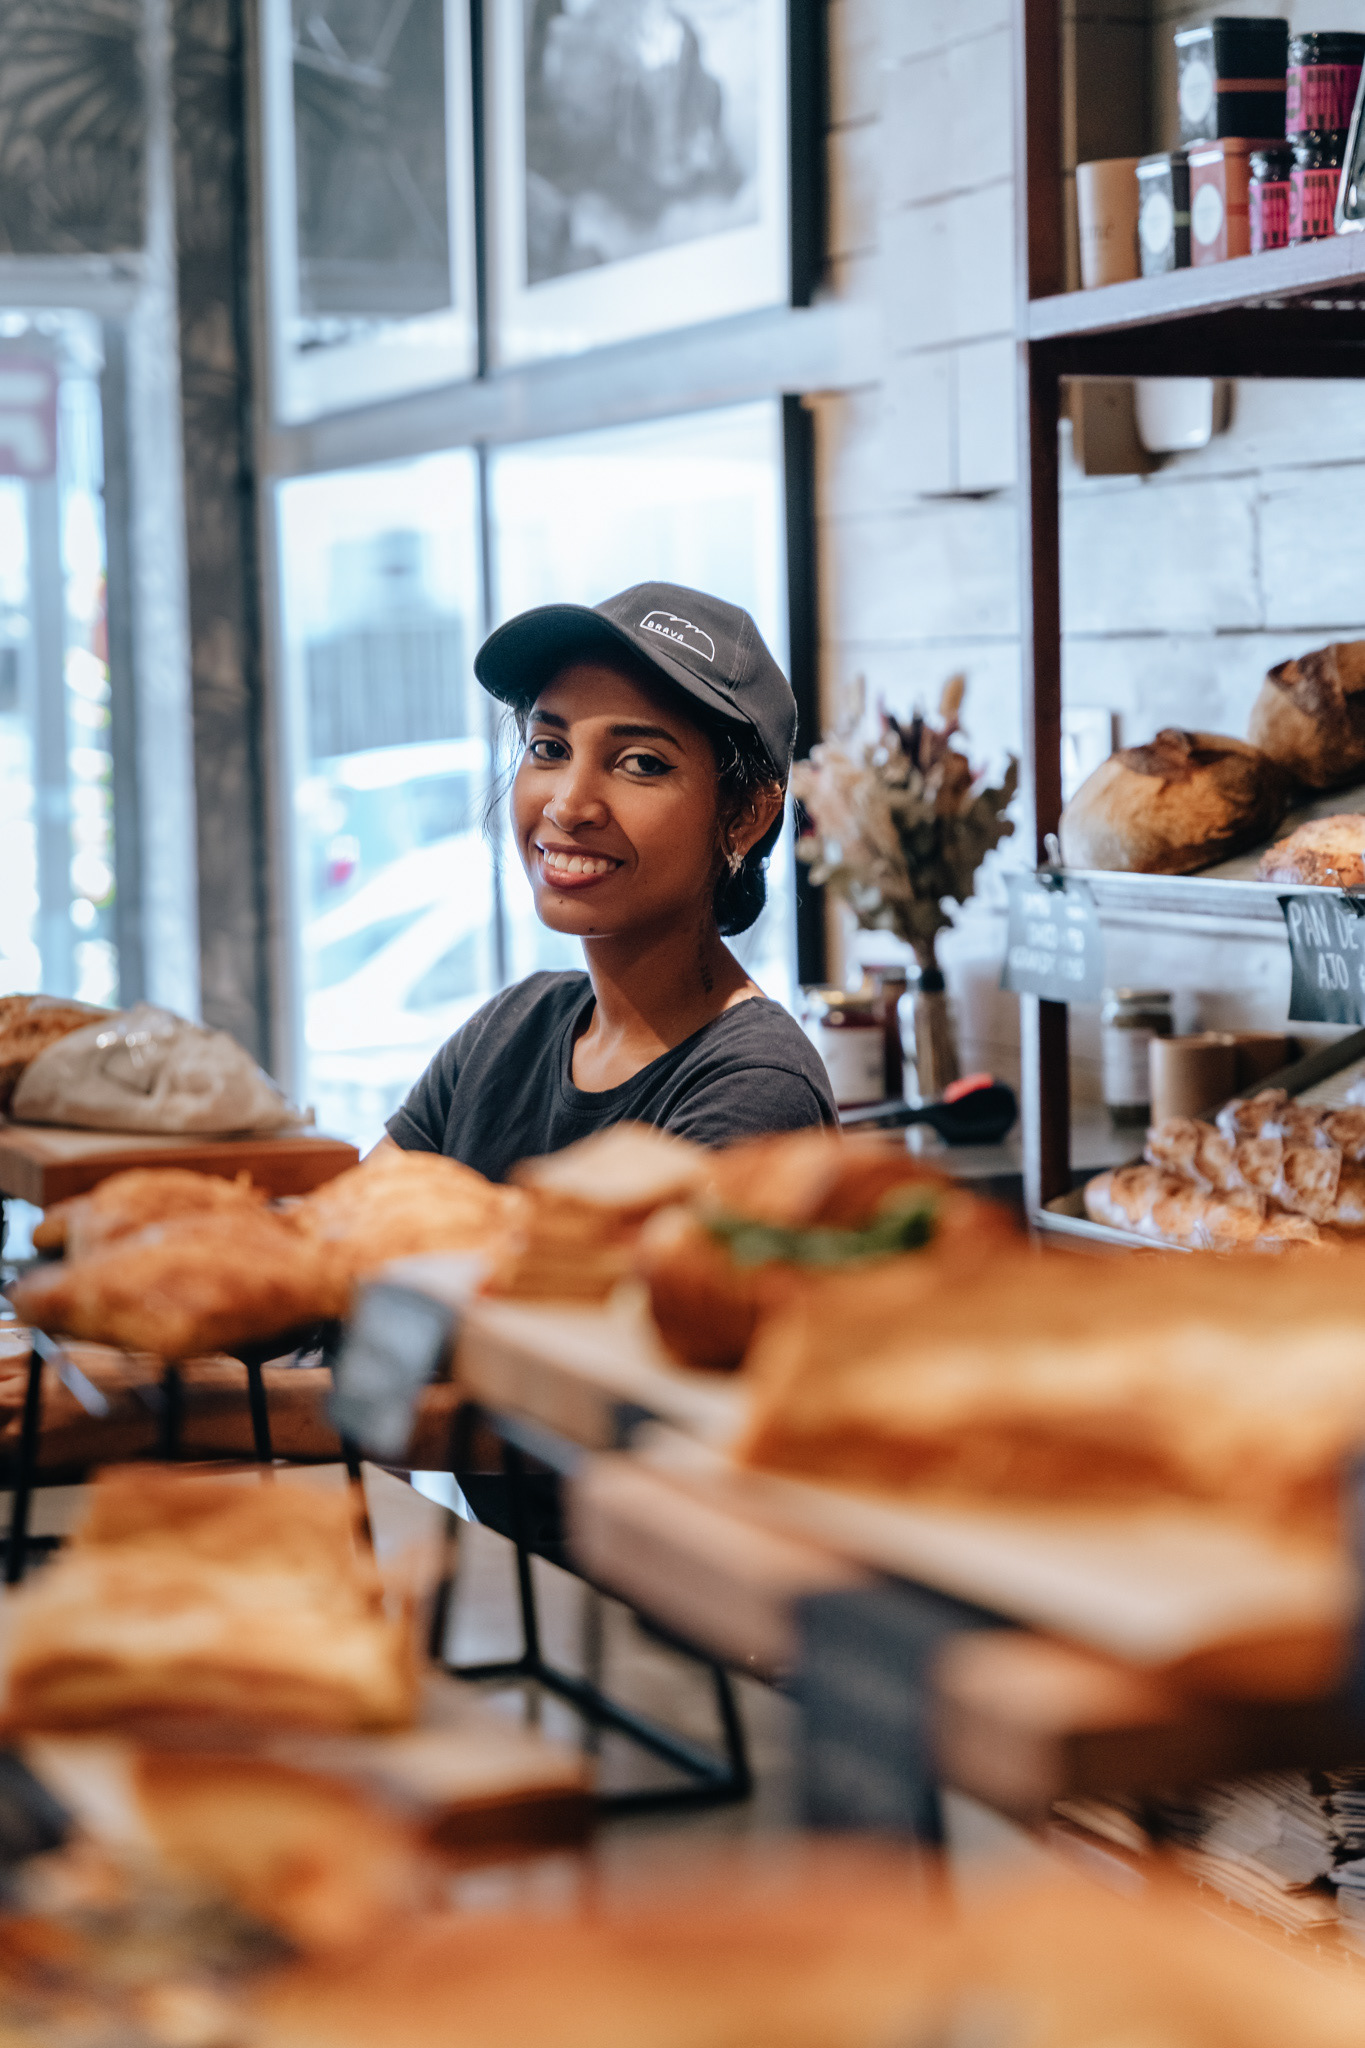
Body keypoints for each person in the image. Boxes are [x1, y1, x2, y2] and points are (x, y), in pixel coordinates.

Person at [382, 580, 836, 1181]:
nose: (570, 806)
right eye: (549, 747)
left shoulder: (755, 1087)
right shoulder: (509, 1031)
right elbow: (346, 1236)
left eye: (641, 763)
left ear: (746, 815)